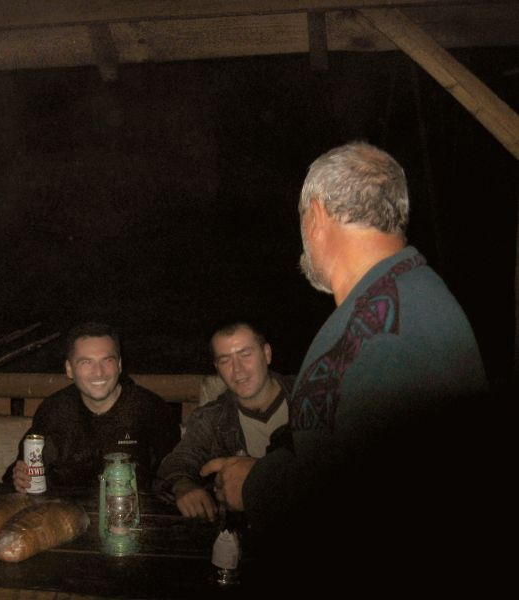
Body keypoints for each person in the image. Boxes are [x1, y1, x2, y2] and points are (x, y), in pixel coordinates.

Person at [201, 142, 488, 577]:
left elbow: (374, 506)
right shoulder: (390, 301)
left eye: (301, 218)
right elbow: (354, 458)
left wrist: (256, 485)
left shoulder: (393, 326)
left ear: (316, 215)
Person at [5, 322, 181, 491]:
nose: (98, 372)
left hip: (131, 509)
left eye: (107, 361)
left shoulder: (150, 410)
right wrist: (19, 477)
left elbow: (176, 475)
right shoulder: (54, 410)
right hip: (64, 509)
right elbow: (20, 470)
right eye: (86, 362)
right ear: (69, 369)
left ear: (119, 365)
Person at [154, 321, 293, 521]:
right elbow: (177, 463)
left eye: (246, 354)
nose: (237, 370)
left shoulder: (312, 396)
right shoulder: (211, 418)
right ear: (217, 368)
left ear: (267, 354)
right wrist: (183, 487)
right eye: (225, 360)